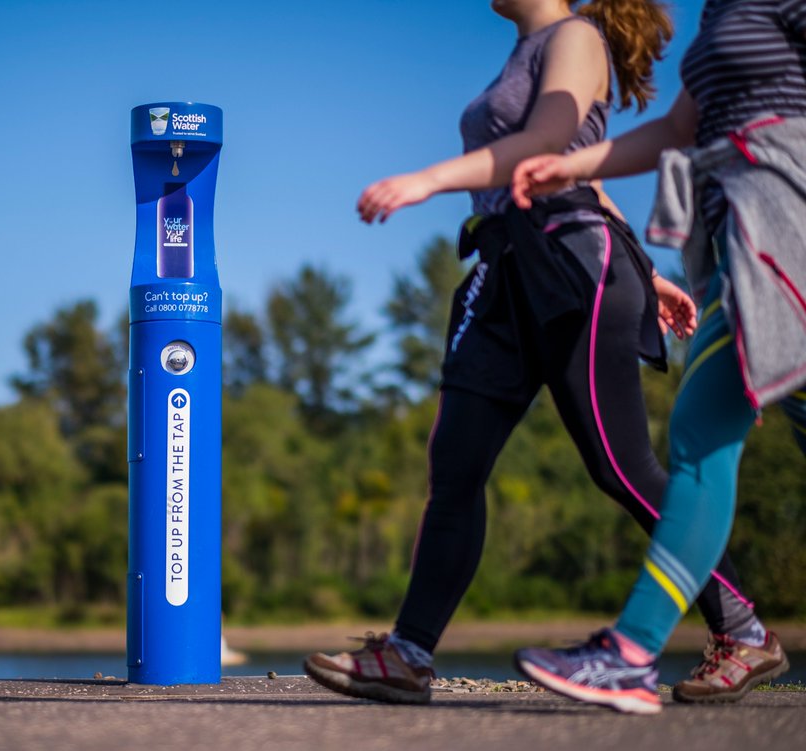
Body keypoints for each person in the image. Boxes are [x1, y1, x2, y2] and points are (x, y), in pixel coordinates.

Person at [303, 0, 784, 706]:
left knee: (619, 464)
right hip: (508, 267)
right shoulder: (525, 53)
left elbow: (546, 146)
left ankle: (741, 630)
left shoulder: (577, 38)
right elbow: (571, 171)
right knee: (456, 463)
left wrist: (427, 180)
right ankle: (407, 655)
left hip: (573, 268)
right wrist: (651, 273)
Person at [511, 0, 806, 715]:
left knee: (698, 441)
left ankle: (632, 653)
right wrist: (568, 166)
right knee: (701, 440)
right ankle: (634, 653)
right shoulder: (726, 11)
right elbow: (678, 130)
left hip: (786, 230)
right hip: (742, 242)